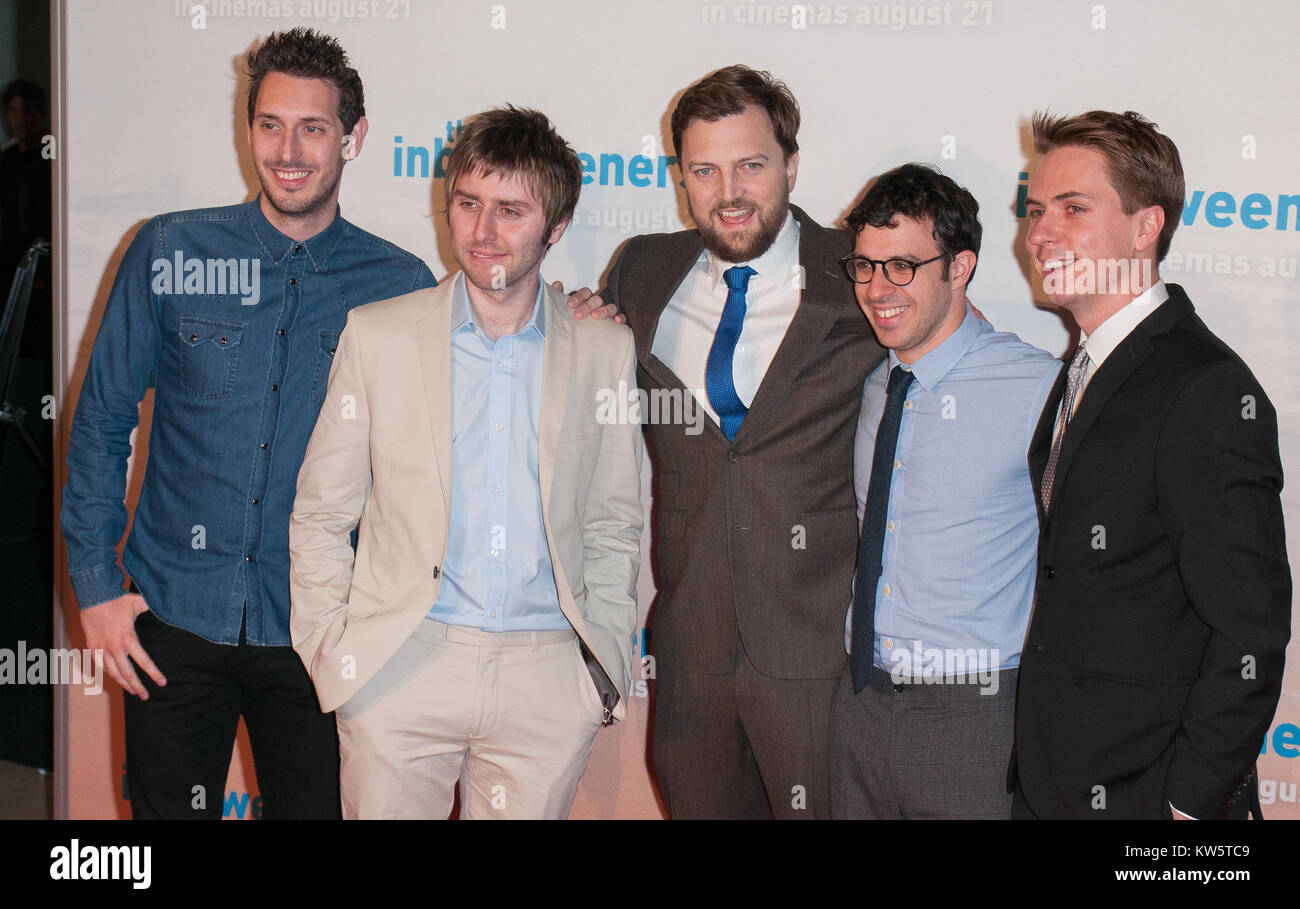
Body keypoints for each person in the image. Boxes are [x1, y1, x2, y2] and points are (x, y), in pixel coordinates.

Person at [60, 28, 436, 819]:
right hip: (172, 618)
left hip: (319, 632)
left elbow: (428, 468)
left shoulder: (401, 286)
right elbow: (100, 420)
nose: (288, 150)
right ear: (248, 128)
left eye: (314, 127)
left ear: (353, 137)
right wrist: (95, 584)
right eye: (270, 124)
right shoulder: (168, 250)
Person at [289, 106, 642, 820]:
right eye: (469, 203)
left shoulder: (602, 348)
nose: (484, 232)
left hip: (546, 673)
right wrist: (340, 659)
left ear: (557, 225)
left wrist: (596, 674)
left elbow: (615, 519)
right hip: (400, 667)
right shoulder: (380, 335)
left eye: (512, 210)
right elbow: (323, 512)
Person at [596, 64, 884, 818]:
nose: (729, 191)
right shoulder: (640, 272)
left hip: (822, 657)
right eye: (705, 169)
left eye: (751, 164)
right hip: (691, 657)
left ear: (791, 164)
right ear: (681, 178)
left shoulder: (862, 273)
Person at [1012, 109, 1291, 819]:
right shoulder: (1085, 370)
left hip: (1149, 799)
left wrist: (1186, 806)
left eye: (1073, 208)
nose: (1040, 232)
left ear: (1146, 227)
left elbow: (1250, 629)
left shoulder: (1203, 387)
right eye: (1036, 209)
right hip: (1056, 782)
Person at [827, 164, 1060, 819]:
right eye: (866, 267)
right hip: (859, 702)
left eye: (902, 265)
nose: (877, 289)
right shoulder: (875, 384)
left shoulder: (1039, 389)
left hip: (976, 715)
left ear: (960, 268)